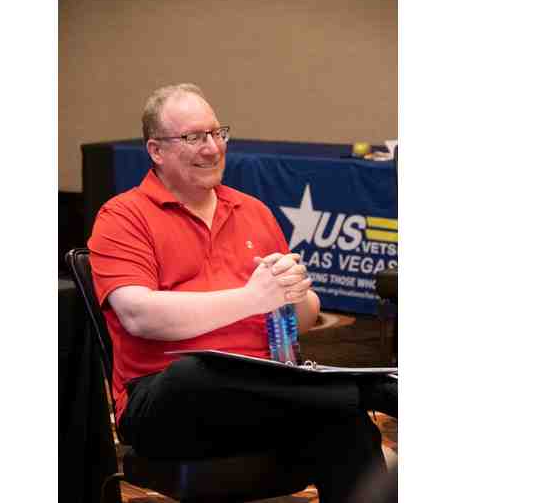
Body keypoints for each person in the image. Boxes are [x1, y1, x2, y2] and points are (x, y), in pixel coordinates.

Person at [88, 83, 395, 502]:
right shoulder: (123, 216)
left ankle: (355, 396)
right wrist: (252, 299)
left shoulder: (252, 211)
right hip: (167, 406)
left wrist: (294, 293)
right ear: (156, 150)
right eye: (193, 137)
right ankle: (373, 391)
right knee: (195, 372)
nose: (213, 148)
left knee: (349, 428)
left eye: (217, 133)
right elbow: (139, 316)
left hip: (264, 397)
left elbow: (304, 318)